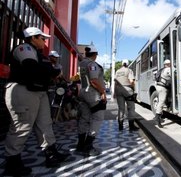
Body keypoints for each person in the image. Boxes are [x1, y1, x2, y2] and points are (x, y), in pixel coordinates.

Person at [3, 27, 70, 176]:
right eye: (42, 39)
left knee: (45, 124)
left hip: (38, 92)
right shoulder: (24, 48)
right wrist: (53, 72)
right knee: (21, 126)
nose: (44, 42)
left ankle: (51, 154)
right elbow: (31, 67)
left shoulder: (38, 54)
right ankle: (12, 162)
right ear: (33, 38)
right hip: (23, 91)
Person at [76, 43, 107, 156]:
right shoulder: (92, 64)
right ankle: (88, 146)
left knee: (84, 118)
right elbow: (94, 80)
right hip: (93, 94)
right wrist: (103, 92)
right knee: (98, 118)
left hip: (83, 92)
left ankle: (80, 145)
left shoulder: (82, 63)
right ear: (95, 54)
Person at [114, 59, 139, 131]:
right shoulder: (129, 70)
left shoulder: (117, 71)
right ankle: (131, 126)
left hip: (118, 90)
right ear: (127, 64)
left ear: (122, 64)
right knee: (131, 108)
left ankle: (120, 126)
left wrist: (115, 93)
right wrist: (133, 89)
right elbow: (131, 81)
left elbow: (116, 83)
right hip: (127, 90)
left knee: (121, 108)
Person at [154, 59, 172, 128]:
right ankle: (157, 117)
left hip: (158, 87)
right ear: (169, 64)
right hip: (163, 87)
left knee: (161, 101)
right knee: (161, 102)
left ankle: (167, 106)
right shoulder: (168, 69)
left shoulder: (161, 70)